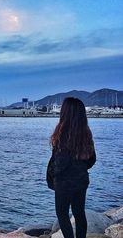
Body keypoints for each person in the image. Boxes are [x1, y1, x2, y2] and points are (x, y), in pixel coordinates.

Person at [47, 97, 96, 238]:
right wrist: (80, 168)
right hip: (81, 180)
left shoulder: (61, 133)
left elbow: (60, 162)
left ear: (65, 113)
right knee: (79, 213)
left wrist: (53, 174)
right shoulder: (86, 133)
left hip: (64, 182)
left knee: (62, 214)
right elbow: (92, 159)